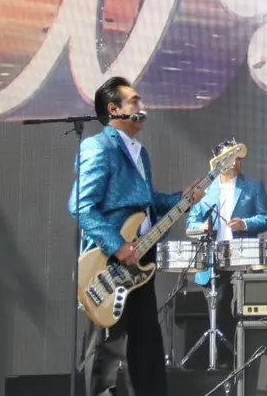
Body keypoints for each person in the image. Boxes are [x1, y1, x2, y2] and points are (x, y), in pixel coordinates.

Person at [69, 76, 205, 396]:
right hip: (108, 266)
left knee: (147, 350)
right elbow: (82, 207)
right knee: (105, 352)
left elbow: (147, 203)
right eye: (134, 101)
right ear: (114, 109)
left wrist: (182, 199)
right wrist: (118, 248)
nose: (141, 107)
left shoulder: (140, 153)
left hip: (141, 263)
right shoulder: (98, 146)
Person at [184, 156, 267, 368]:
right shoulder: (206, 190)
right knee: (219, 310)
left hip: (242, 260)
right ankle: (223, 363)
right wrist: (203, 228)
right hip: (213, 260)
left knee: (241, 308)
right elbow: (191, 223)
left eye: (239, 159)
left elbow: (266, 218)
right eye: (230, 159)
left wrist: (245, 223)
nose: (235, 163)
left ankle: (245, 360)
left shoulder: (253, 186)